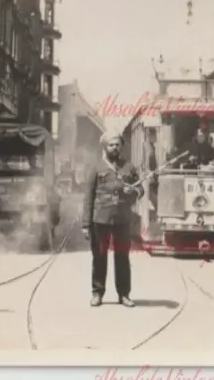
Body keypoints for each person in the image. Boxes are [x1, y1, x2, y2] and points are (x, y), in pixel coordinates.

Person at [82, 132, 144, 308]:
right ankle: (97, 293)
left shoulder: (129, 168)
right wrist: (86, 224)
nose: (114, 148)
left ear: (121, 146)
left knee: (123, 257)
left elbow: (141, 189)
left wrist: (133, 191)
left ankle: (124, 295)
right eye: (111, 145)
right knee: (99, 257)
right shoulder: (95, 168)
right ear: (105, 147)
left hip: (122, 219)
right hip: (100, 219)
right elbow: (88, 197)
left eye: (117, 144)